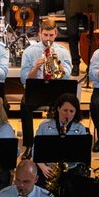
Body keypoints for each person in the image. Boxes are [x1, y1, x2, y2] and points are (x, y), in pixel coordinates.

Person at [34, 93, 89, 197]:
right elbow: (36, 151)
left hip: (70, 169)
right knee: (41, 191)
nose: (68, 114)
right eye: (65, 110)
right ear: (58, 108)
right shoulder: (45, 126)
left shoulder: (80, 129)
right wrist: (43, 167)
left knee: (69, 192)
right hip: (47, 168)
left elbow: (81, 156)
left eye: (72, 111)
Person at [18, 19, 73, 147]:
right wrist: (36, 68)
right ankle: (29, 144)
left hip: (57, 89)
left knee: (66, 105)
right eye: (45, 35)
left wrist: (57, 63)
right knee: (24, 105)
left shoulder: (63, 51)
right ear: (40, 34)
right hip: (37, 89)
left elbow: (67, 76)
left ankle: (59, 140)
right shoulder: (29, 51)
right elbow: (24, 79)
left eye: (51, 35)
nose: (48, 38)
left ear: (56, 34)